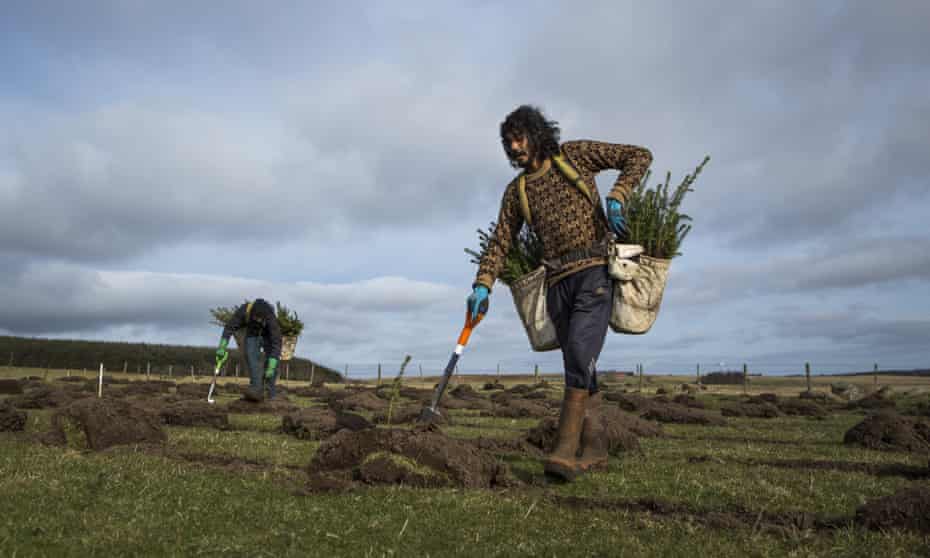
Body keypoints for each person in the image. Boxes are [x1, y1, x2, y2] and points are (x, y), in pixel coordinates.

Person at [469, 105, 652, 480]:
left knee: (581, 353)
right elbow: (500, 241)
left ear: (537, 134)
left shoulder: (575, 155)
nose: (514, 148)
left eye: (519, 138)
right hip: (556, 284)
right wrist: (482, 285)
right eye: (508, 143)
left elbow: (638, 156)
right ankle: (596, 447)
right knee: (578, 360)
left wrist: (618, 194)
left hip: (595, 272)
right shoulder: (517, 190)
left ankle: (565, 449)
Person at [215, 298, 282, 400]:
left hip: (268, 337)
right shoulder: (244, 311)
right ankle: (256, 391)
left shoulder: (270, 317)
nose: (258, 321)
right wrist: (222, 346)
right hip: (252, 335)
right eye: (256, 318)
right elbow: (229, 327)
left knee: (272, 364)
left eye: (261, 319)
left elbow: (276, 343)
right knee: (251, 360)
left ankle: (271, 394)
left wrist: (271, 366)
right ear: (251, 313)